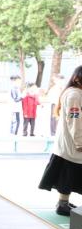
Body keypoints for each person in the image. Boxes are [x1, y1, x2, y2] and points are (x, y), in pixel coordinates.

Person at [39, 65, 82, 216]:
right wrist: (79, 142)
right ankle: (62, 204)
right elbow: (74, 120)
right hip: (72, 143)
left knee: (67, 173)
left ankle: (63, 203)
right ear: (77, 78)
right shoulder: (74, 95)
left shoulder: (73, 93)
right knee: (68, 173)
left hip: (68, 144)